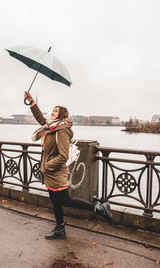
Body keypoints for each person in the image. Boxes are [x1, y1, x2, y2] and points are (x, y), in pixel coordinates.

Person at [24, 91, 112, 240]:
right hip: (50, 173)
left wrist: (46, 166)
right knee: (55, 201)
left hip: (56, 172)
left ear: (62, 115)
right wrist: (31, 102)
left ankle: (99, 209)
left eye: (56, 111)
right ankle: (60, 229)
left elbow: (63, 155)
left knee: (66, 200)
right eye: (52, 110)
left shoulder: (61, 131)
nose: (52, 112)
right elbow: (40, 118)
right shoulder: (51, 127)